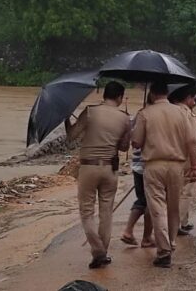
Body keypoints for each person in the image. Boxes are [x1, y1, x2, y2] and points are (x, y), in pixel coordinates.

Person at [132, 81, 196, 268]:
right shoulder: (181, 112)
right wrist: (194, 166)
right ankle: (172, 242)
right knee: (173, 207)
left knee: (157, 207)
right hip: (177, 165)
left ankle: (163, 251)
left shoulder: (145, 113)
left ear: (152, 94)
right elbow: (192, 140)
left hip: (154, 165)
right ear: (166, 94)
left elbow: (136, 142)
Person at [65, 81, 131, 269]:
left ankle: (98, 251)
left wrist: (66, 119)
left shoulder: (90, 112)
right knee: (106, 213)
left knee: (87, 212)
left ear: (104, 95)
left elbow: (72, 136)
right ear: (119, 97)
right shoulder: (125, 118)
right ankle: (102, 253)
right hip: (110, 169)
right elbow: (125, 147)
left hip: (88, 168)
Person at [167, 84, 196, 236]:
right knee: (186, 191)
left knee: (173, 191)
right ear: (187, 98)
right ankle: (179, 223)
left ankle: (182, 221)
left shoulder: (169, 111)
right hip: (186, 157)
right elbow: (192, 140)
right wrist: (195, 165)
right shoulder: (188, 114)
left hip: (169, 156)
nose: (195, 102)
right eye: (193, 98)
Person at [121, 93, 154, 249]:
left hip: (137, 165)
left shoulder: (138, 116)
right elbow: (136, 142)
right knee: (149, 202)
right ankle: (144, 237)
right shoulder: (146, 117)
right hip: (146, 165)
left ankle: (132, 232)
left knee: (142, 200)